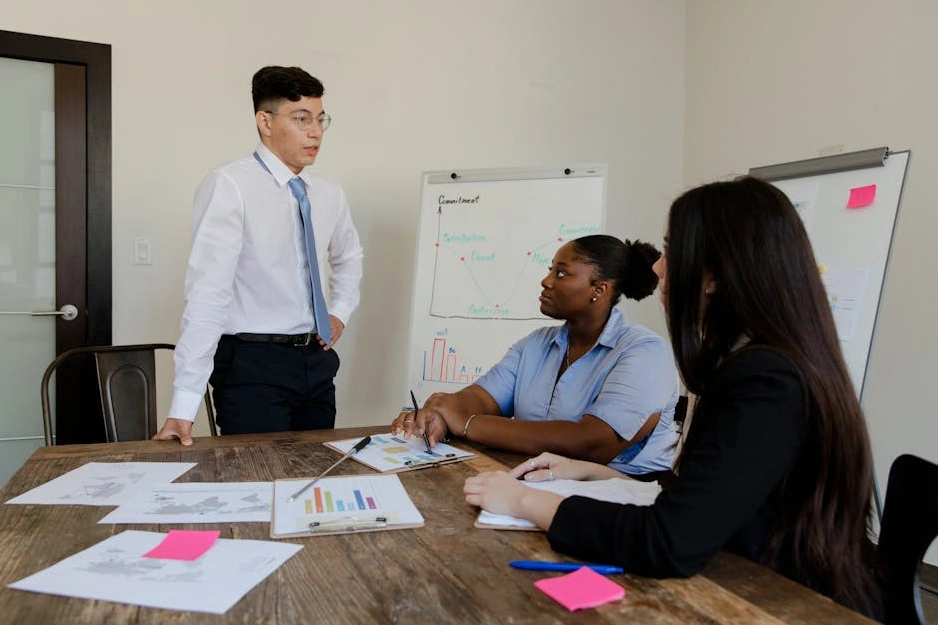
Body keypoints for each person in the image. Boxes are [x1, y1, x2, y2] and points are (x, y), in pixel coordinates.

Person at [463, 176, 880, 618]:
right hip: (743, 576)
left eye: (672, 250)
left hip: (775, 603)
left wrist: (523, 501)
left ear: (715, 274)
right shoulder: (765, 362)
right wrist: (595, 475)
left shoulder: (766, 381)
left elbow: (669, 542)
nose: (659, 268)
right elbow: (708, 499)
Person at [154, 66, 363, 445]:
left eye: (320, 119)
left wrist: (340, 311)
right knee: (257, 483)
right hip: (251, 367)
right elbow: (208, 293)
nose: (315, 131)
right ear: (265, 122)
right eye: (301, 119)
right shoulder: (230, 185)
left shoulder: (329, 193)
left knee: (314, 478)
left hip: (315, 364)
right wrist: (183, 407)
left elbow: (350, 256)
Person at [392, 234, 680, 476]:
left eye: (561, 273)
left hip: (625, 500)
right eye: (550, 269)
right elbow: (483, 398)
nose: (546, 281)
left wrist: (466, 423)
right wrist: (443, 412)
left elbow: (592, 444)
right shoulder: (537, 344)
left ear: (599, 289)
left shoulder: (645, 353)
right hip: (537, 482)